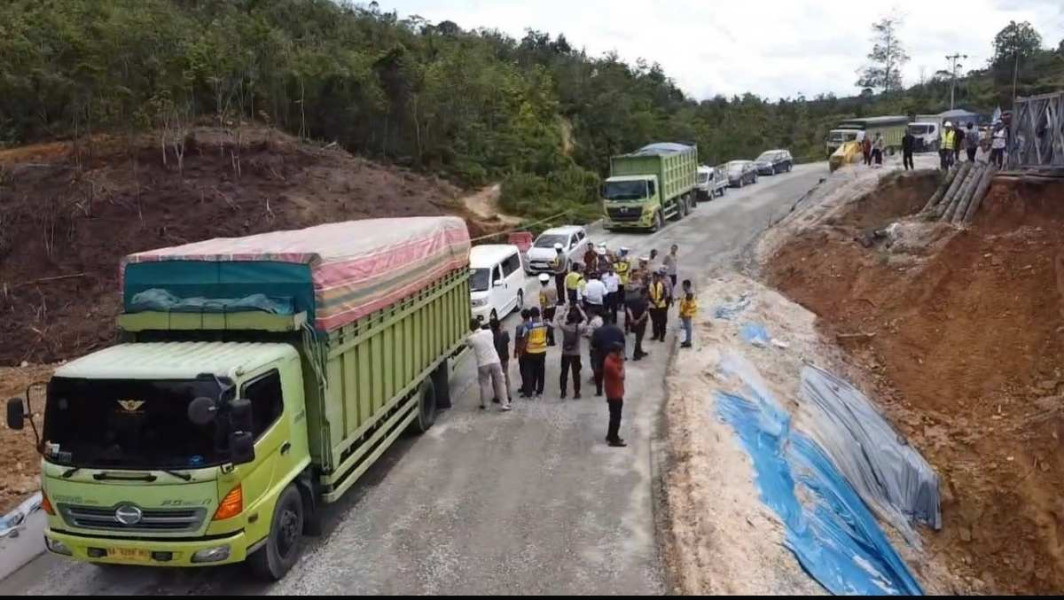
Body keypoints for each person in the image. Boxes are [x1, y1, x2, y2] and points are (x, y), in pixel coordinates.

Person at [466, 319, 511, 411]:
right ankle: (504, 404)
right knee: (500, 382)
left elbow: (470, 345)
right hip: (495, 361)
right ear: (479, 325)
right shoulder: (489, 332)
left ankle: (486, 405)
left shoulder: (471, 338)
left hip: (482, 364)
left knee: (484, 384)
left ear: (471, 328)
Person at [555, 305, 588, 399]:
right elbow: (585, 318)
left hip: (565, 353)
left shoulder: (565, 327)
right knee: (576, 374)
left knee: (564, 373)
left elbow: (558, 319)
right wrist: (580, 309)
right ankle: (577, 393)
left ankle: (563, 392)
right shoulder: (579, 327)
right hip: (576, 353)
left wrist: (565, 310)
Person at [590, 319, 624, 397]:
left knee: (599, 372)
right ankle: (614, 390)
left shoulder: (598, 331)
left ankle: (599, 391)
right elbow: (623, 342)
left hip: (601, 353)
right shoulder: (618, 330)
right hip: (614, 354)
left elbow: (593, 344)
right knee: (614, 372)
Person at [603, 341, 627, 447]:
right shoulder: (610, 364)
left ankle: (610, 435)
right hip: (614, 393)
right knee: (616, 416)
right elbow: (621, 376)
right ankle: (614, 438)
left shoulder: (610, 360)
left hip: (614, 391)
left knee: (613, 415)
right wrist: (622, 365)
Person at [523, 307, 548, 397]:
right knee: (541, 372)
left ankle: (530, 390)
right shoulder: (544, 325)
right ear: (539, 314)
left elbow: (525, 339)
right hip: (542, 351)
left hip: (531, 352)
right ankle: (540, 391)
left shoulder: (528, 326)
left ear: (530, 316)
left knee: (529, 372)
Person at [489, 317, 512, 404]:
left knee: (495, 378)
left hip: (495, 359)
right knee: (506, 376)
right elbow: (508, 340)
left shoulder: (491, 336)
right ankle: (508, 395)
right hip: (505, 358)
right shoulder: (505, 333)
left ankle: (497, 396)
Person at [625, 287, 650, 361]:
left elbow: (628, 309)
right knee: (638, 338)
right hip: (641, 323)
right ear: (645, 294)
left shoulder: (634, 300)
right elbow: (645, 313)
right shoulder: (645, 302)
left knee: (635, 338)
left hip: (633, 322)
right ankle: (636, 355)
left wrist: (632, 318)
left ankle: (639, 351)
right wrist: (639, 320)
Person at [585, 309, 607, 395]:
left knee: (595, 363)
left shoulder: (592, 322)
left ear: (591, 312)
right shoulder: (601, 320)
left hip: (594, 346)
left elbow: (589, 335)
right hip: (603, 345)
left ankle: (596, 378)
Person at [647, 270, 669, 342]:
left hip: (661, 305)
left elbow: (664, 294)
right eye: (653, 277)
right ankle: (655, 334)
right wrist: (654, 302)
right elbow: (648, 294)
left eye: (656, 277)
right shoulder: (650, 285)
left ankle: (662, 336)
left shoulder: (662, 284)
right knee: (655, 321)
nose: (655, 278)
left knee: (662, 321)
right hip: (652, 306)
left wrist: (659, 301)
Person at [514, 309, 531, 397]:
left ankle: (526, 389)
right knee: (530, 370)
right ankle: (529, 387)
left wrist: (516, 351)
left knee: (524, 371)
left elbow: (517, 340)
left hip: (523, 351)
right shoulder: (533, 325)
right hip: (532, 349)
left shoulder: (519, 327)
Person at [538, 273, 558, 346]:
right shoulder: (553, 288)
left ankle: (549, 340)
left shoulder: (542, 291)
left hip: (547, 308)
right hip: (553, 307)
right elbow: (555, 298)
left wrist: (542, 310)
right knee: (550, 322)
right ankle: (549, 340)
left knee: (546, 324)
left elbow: (542, 302)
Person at [678, 280, 698, 349]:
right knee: (687, 327)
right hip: (686, 313)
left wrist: (682, 313)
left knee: (688, 328)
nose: (682, 287)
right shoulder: (687, 293)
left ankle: (688, 342)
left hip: (687, 313)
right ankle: (687, 340)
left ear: (686, 285)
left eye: (683, 285)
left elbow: (687, 305)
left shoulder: (689, 294)